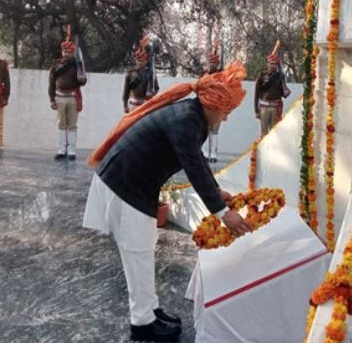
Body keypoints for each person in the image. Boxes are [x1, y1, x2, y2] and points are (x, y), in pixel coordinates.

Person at [82, 61, 252, 342]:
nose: (226, 118)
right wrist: (223, 212)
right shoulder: (186, 119)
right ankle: (142, 324)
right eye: (226, 111)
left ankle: (150, 310)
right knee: (137, 255)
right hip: (123, 186)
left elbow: (196, 160)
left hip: (133, 186)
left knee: (144, 250)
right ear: (213, 104)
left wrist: (216, 190)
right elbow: (194, 167)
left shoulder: (192, 117)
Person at [49, 31, 87, 160]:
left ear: (72, 52)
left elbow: (82, 82)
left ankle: (71, 150)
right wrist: (51, 99)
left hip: (72, 97)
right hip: (59, 97)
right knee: (61, 124)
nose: (67, 53)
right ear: (62, 52)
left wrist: (82, 78)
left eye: (69, 52)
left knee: (72, 124)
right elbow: (51, 84)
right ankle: (62, 149)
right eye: (65, 51)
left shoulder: (77, 64)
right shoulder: (56, 65)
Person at [254, 40, 291, 137]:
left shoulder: (279, 76)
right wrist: (256, 110)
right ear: (268, 64)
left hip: (275, 107)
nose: (272, 66)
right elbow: (257, 93)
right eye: (271, 63)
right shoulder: (262, 75)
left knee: (274, 134)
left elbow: (283, 93)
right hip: (264, 107)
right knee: (264, 133)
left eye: (274, 64)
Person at [123, 38, 159, 113]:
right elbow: (126, 91)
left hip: (145, 105)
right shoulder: (130, 74)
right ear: (136, 61)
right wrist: (125, 105)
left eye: (142, 61)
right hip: (132, 105)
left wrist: (151, 94)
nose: (140, 62)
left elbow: (156, 88)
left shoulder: (150, 74)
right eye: (138, 60)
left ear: (145, 61)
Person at [204, 43, 222, 163]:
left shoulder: (222, 75)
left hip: (217, 105)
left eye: (214, 63)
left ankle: (213, 153)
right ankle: (205, 153)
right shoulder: (205, 74)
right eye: (211, 62)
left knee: (214, 130)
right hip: (206, 104)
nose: (212, 64)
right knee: (205, 129)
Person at [0, 57, 9, 147]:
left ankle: (0, 140)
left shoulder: (2, 64)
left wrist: (6, 97)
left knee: (0, 121)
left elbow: (7, 82)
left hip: (0, 96)